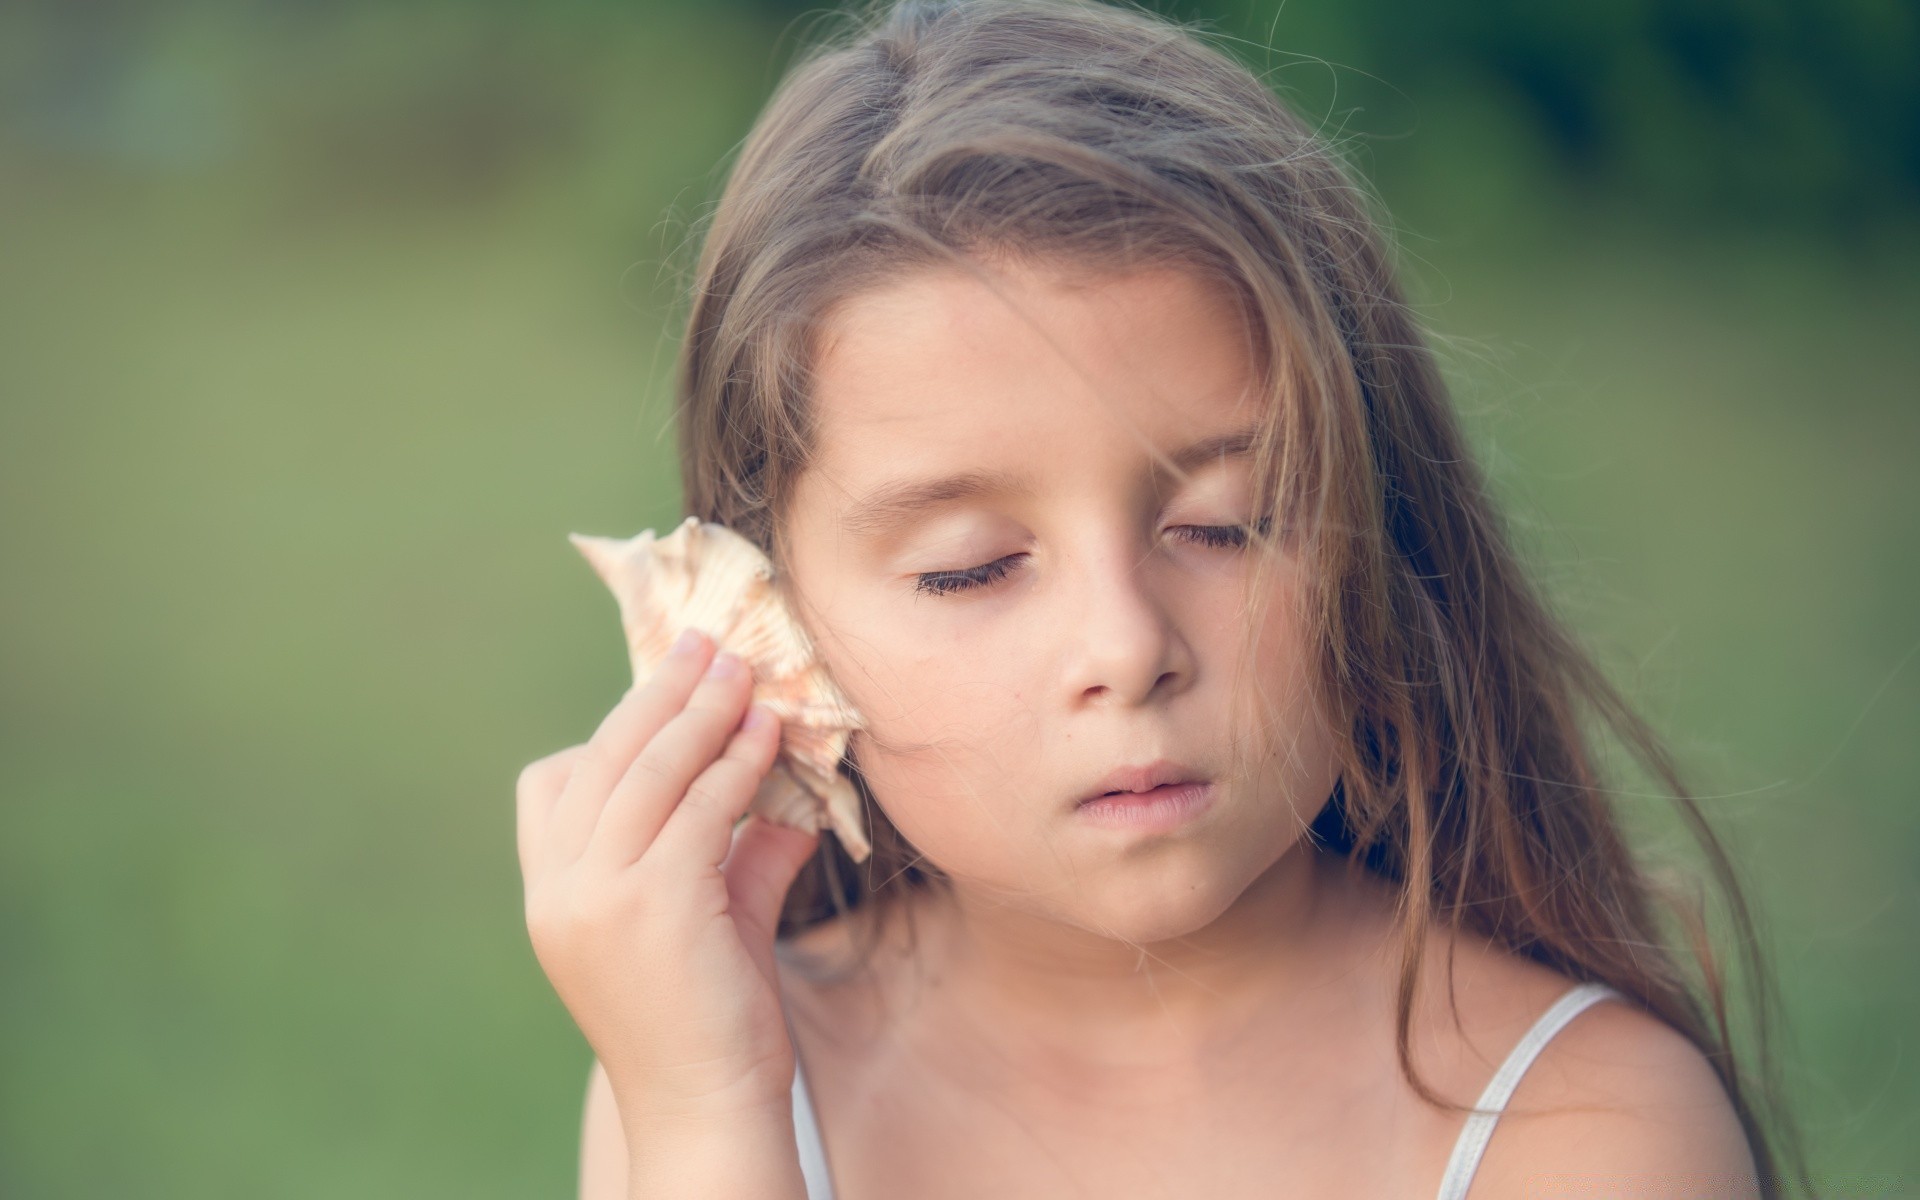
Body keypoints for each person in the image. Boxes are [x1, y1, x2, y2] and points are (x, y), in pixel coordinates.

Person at [515, 1, 1809, 1196]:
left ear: (1378, 531)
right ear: (769, 616)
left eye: (1224, 525)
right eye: (971, 564)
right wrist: (705, 1112)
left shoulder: (1583, 1129)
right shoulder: (707, 1074)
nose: (1127, 647)